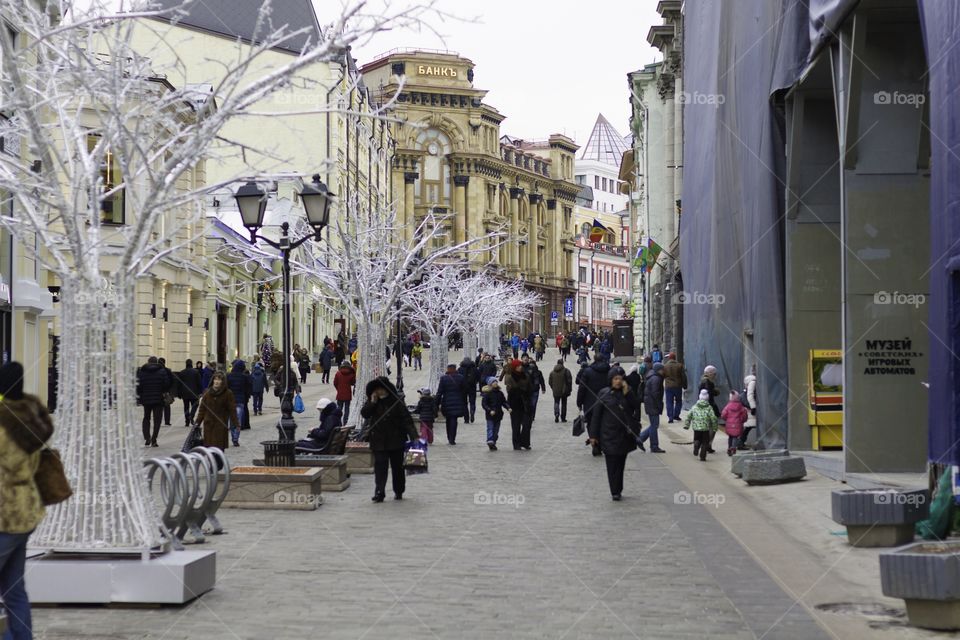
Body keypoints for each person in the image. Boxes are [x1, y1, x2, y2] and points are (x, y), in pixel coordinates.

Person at [0, 361, 53, 640]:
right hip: (26, 511)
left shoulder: (6, 422)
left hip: (6, 514)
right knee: (13, 587)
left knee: (13, 587)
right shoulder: (31, 416)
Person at [360, 376, 419, 502]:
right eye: (376, 389)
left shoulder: (396, 401)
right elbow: (365, 413)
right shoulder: (372, 402)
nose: (378, 392)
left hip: (396, 440)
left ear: (386, 389)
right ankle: (379, 492)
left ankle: (399, 490)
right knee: (380, 468)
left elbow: (407, 420)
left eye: (380, 389)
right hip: (378, 441)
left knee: (397, 468)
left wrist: (414, 437)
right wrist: (372, 402)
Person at [587, 368, 641, 501]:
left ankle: (619, 488)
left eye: (620, 379)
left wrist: (628, 392)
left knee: (621, 464)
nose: (618, 381)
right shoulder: (604, 394)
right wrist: (593, 436)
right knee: (612, 465)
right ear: (611, 380)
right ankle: (614, 491)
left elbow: (636, 406)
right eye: (615, 379)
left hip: (624, 436)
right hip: (608, 435)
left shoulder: (627, 393)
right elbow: (596, 417)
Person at [576, 354, 611, 456]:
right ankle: (602, 443)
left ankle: (595, 445)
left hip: (590, 403)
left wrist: (579, 402)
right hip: (606, 402)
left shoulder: (588, 371)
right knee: (604, 423)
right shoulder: (608, 370)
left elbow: (582, 388)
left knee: (591, 424)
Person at [195, 371, 237, 452]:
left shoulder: (228, 393)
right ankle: (211, 464)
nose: (217, 381)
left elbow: (232, 410)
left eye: (219, 380)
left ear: (223, 382)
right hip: (209, 425)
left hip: (220, 425)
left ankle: (219, 464)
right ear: (212, 380)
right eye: (215, 379)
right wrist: (197, 423)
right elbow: (202, 410)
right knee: (209, 451)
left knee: (219, 451)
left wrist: (236, 423)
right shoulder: (207, 393)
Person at [137, 356, 170, 447]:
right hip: (158, 399)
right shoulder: (162, 371)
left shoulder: (142, 371)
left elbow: (138, 385)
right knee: (157, 420)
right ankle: (154, 439)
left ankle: (147, 438)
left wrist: (140, 396)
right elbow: (166, 384)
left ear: (148, 362)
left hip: (146, 398)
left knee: (146, 418)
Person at [503, 359, 532, 450]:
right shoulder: (510, 377)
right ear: (515, 367)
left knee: (527, 425)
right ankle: (516, 444)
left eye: (521, 366)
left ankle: (525, 442)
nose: (520, 367)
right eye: (518, 366)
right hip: (514, 403)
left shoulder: (525, 376)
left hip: (525, 403)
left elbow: (530, 388)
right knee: (516, 426)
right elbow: (510, 390)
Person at [684, 389, 719, 461]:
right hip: (705, 428)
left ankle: (696, 444)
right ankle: (702, 456)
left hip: (696, 428)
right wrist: (715, 427)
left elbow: (689, 416)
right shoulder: (709, 408)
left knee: (697, 439)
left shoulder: (694, 407)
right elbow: (713, 418)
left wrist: (687, 425)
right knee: (705, 443)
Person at [436, 364, 467, 445]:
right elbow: (464, 391)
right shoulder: (461, 377)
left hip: (446, 401)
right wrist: (463, 402)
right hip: (458, 401)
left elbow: (439, 392)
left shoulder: (443, 378)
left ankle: (449, 437)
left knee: (448, 419)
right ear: (455, 369)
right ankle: (452, 438)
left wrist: (436, 403)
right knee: (454, 420)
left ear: (448, 369)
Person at [226, 361, 252, 444]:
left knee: (231, 419)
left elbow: (226, 388)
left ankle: (233, 435)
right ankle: (235, 438)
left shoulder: (228, 376)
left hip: (230, 401)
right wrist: (247, 397)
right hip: (240, 400)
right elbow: (248, 388)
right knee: (238, 419)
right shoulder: (244, 377)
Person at [481, 376, 509, 450]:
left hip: (498, 415)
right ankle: (490, 440)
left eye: (496, 381)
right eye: (493, 382)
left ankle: (493, 441)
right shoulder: (487, 393)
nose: (495, 383)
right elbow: (484, 404)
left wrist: (508, 407)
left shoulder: (500, 393)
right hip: (490, 415)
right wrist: (489, 410)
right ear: (490, 384)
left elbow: (504, 402)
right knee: (490, 428)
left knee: (496, 431)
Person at [699, 365, 721, 453]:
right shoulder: (708, 382)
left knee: (707, 426)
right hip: (709, 407)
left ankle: (706, 443)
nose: (715, 376)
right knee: (713, 426)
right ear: (710, 373)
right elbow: (709, 394)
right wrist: (715, 391)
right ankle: (707, 444)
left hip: (703, 407)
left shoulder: (702, 381)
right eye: (714, 374)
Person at [176, 359, 203, 427]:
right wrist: (201, 392)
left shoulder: (182, 372)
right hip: (194, 392)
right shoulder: (196, 372)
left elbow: (179, 384)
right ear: (192, 364)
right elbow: (199, 383)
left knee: (186, 407)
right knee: (195, 405)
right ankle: (191, 415)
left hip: (184, 393)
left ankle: (187, 421)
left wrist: (178, 393)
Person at [721, 390, 749, 456]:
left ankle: (729, 447)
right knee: (735, 437)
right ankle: (733, 447)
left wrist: (726, 419)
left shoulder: (728, 406)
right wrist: (742, 420)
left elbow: (723, 415)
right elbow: (744, 415)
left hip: (729, 424)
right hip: (738, 424)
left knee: (730, 436)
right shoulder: (741, 407)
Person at [662, 352, 687, 423]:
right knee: (678, 401)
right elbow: (683, 377)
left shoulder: (665, 366)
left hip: (668, 386)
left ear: (669, 358)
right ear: (675, 358)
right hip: (677, 386)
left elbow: (663, 375)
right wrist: (685, 385)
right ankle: (676, 415)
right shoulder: (679, 365)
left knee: (669, 401)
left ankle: (670, 417)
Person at [333, 361, 356, 425]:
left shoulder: (338, 373)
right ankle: (345, 422)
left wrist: (338, 389)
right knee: (347, 409)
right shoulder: (351, 374)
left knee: (339, 408)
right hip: (348, 394)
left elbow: (335, 383)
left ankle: (338, 421)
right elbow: (353, 383)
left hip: (340, 394)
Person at [524, 356, 546, 424]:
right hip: (529, 390)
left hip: (535, 390)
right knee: (530, 404)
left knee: (533, 404)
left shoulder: (538, 372)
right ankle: (530, 415)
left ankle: (532, 415)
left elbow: (541, 380)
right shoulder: (526, 372)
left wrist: (543, 388)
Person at [458, 357, 479, 424]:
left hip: (463, 388)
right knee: (472, 402)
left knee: (464, 403)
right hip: (472, 387)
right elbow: (478, 377)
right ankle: (472, 412)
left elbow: (458, 378)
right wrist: (475, 382)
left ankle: (466, 419)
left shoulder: (460, 369)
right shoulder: (474, 368)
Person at [741, 372, 758, 449]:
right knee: (749, 427)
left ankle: (740, 443)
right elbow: (750, 396)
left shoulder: (750, 383)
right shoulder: (753, 382)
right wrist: (753, 407)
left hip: (750, 408)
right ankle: (740, 443)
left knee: (748, 428)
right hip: (752, 408)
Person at [157, 357, 175, 426]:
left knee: (159, 407)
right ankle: (167, 421)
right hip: (166, 391)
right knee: (167, 406)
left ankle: (158, 421)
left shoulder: (156, 370)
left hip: (158, 391)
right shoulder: (167, 370)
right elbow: (172, 380)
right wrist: (169, 389)